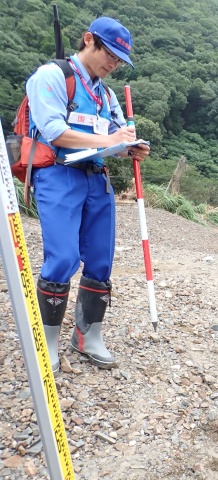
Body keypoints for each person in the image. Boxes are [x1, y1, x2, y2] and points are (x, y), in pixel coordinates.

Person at [29, 17, 150, 372]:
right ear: (88, 40)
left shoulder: (105, 93)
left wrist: (130, 148)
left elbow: (115, 135)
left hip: (97, 178)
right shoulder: (52, 77)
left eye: (118, 61)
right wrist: (109, 141)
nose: (112, 64)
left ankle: (88, 335)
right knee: (63, 257)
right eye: (109, 54)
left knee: (100, 259)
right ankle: (47, 342)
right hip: (58, 175)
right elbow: (53, 130)